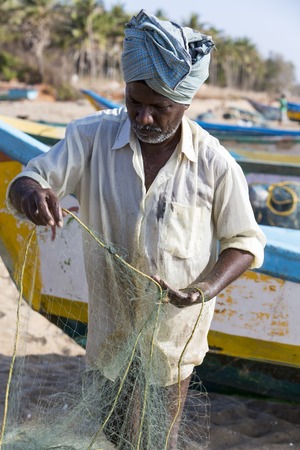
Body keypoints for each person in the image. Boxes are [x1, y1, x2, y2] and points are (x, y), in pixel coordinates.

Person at [6, 9, 266, 449]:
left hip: (172, 342)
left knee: (153, 441)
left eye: (159, 108)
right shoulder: (90, 137)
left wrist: (200, 290)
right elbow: (28, 181)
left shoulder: (214, 163)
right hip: (109, 336)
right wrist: (33, 196)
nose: (143, 118)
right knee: (113, 434)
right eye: (134, 103)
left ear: (184, 105)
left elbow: (245, 243)